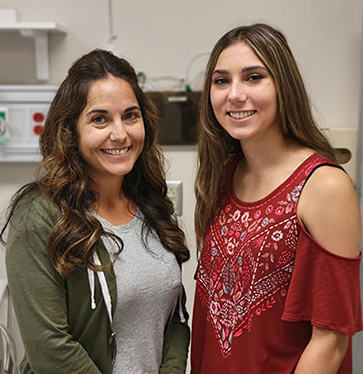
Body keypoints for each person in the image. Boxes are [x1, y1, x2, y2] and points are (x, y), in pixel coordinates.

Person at [0, 49, 190, 374]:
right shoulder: (39, 216)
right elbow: (50, 347)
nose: (120, 133)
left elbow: (175, 319)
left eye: (130, 115)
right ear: (71, 130)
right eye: (99, 119)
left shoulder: (153, 205)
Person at [192, 23, 362, 374]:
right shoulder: (221, 175)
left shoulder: (325, 186)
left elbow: (330, 342)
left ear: (284, 85)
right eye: (221, 81)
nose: (234, 94)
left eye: (253, 77)